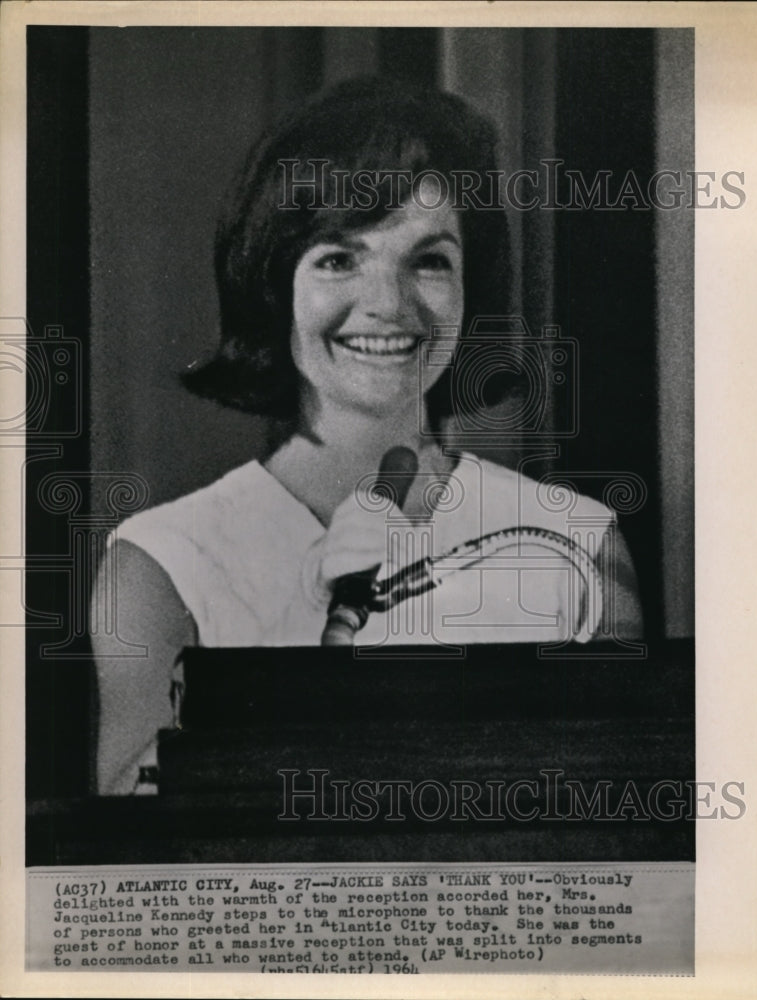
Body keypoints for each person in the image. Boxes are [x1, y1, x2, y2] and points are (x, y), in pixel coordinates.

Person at [91, 77, 642, 795]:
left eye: (430, 259)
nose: (388, 303)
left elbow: (622, 832)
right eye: (338, 258)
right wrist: (325, 631)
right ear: (272, 283)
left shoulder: (577, 543)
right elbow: (139, 842)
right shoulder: (158, 564)